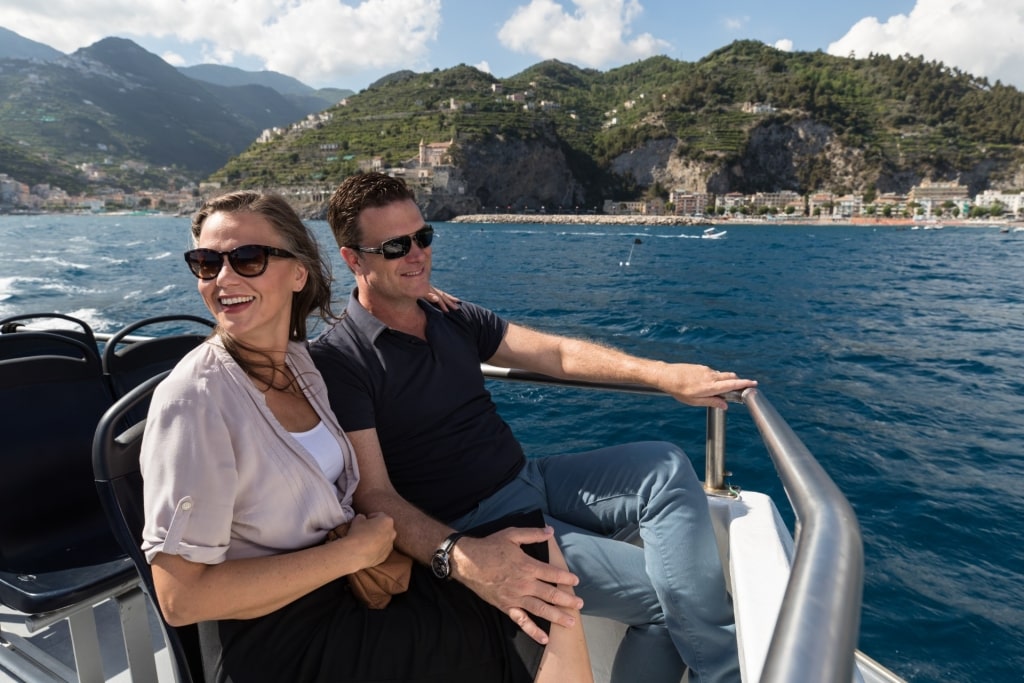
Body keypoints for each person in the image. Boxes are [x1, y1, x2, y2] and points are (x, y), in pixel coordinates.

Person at [309, 172, 758, 683]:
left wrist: (666, 375)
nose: (417, 255)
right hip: (482, 523)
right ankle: (725, 673)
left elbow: (557, 353)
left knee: (665, 464)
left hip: (530, 476)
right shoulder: (342, 360)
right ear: (353, 259)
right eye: (395, 246)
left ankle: (710, 643)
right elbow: (375, 495)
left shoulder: (451, 315)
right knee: (663, 603)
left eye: (423, 237)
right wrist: (461, 555)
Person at [139, 190, 592, 682]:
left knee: (535, 575)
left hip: (347, 587)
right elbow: (181, 599)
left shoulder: (302, 365)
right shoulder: (196, 398)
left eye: (247, 258)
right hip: (280, 641)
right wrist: (350, 553)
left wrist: (413, 295)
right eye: (207, 263)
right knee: (538, 607)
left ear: (298, 273)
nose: (224, 279)